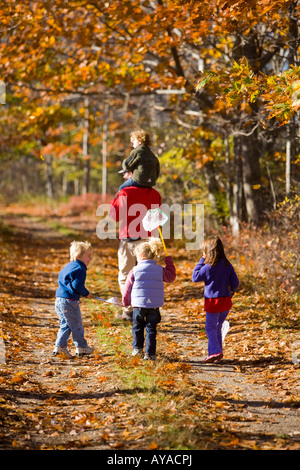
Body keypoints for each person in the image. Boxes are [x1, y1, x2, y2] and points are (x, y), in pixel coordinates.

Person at [110, 185, 162, 321]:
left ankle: (129, 310)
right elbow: (158, 218)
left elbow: (114, 215)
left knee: (126, 274)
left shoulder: (124, 192)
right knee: (147, 273)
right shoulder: (154, 193)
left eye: (126, 173)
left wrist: (115, 197)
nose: (124, 176)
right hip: (148, 239)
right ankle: (147, 307)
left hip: (128, 239)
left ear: (132, 173)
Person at [122, 238, 176, 360]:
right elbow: (170, 277)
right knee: (151, 329)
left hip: (138, 306)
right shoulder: (160, 269)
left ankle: (137, 349)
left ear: (140, 255)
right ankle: (150, 354)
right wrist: (169, 262)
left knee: (137, 327)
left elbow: (127, 288)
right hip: (154, 306)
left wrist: (126, 302)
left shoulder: (134, 270)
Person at [192, 236, 239, 363]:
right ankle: (218, 354)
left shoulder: (207, 267)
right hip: (225, 302)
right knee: (217, 327)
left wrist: (201, 260)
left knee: (210, 328)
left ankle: (214, 352)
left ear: (208, 252)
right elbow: (235, 283)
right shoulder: (227, 265)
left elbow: (195, 277)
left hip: (213, 302)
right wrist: (231, 293)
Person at [53, 241, 94, 358]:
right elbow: (77, 285)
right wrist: (86, 293)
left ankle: (60, 347)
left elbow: (64, 281)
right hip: (69, 302)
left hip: (59, 300)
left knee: (65, 324)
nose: (90, 259)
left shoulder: (69, 266)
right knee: (76, 325)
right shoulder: (81, 268)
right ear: (79, 256)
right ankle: (82, 347)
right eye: (89, 256)